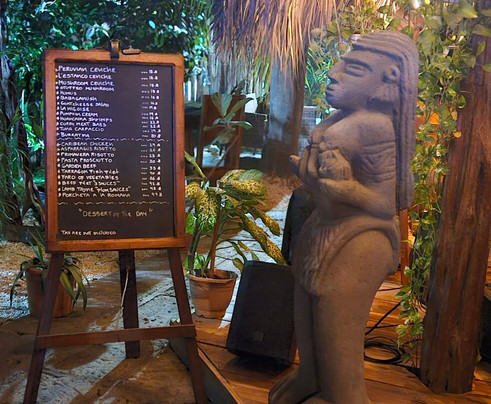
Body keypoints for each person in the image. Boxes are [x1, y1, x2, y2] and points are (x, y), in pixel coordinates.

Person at [269, 31, 419, 404]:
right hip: (325, 228)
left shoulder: (375, 126)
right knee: (306, 302)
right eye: (341, 63)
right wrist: (317, 181)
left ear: (388, 80)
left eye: (354, 68)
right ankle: (309, 378)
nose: (334, 73)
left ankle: (342, 396)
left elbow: (383, 203)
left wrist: (341, 188)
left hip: (360, 239)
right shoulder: (345, 117)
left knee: (335, 319)